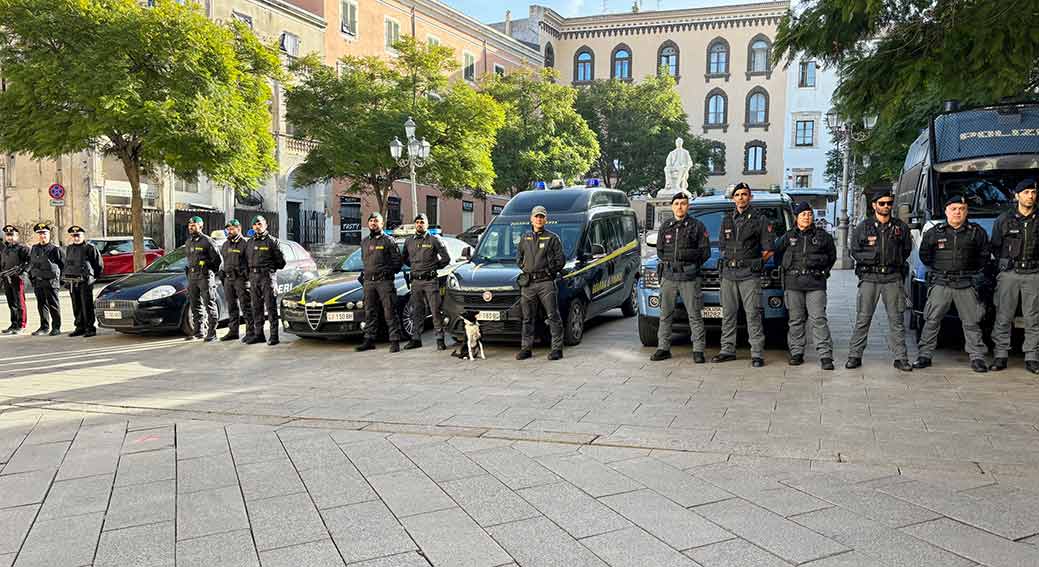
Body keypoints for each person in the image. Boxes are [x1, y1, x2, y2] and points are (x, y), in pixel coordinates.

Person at [914, 196, 991, 372]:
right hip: (941, 282)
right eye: (954, 208)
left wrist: (971, 272)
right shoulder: (935, 232)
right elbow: (925, 255)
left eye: (962, 208)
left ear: (966, 211)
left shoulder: (976, 232)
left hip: (966, 283)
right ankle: (924, 355)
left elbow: (983, 257)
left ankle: (977, 357)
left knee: (972, 322)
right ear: (947, 211)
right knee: (931, 320)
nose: (958, 212)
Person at [846, 192, 914, 371]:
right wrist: (873, 258)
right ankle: (855, 355)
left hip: (892, 278)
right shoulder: (863, 227)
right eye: (882, 203)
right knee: (863, 319)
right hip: (870, 278)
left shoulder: (900, 227)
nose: (886, 206)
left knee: (896, 320)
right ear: (874, 205)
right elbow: (855, 250)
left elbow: (906, 249)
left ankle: (901, 358)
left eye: (889, 203)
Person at [713, 182, 773, 367]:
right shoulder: (727, 220)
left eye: (744, 194)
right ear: (733, 199)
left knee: (752, 315)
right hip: (729, 274)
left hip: (749, 275)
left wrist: (755, 263)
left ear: (750, 197)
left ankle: (756, 353)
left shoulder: (760, 220)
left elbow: (768, 249)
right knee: (728, 314)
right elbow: (722, 245)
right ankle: (727, 350)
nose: (741, 197)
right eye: (737, 194)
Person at [775, 202, 837, 370]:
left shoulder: (823, 237)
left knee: (818, 319)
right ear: (796, 217)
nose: (807, 217)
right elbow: (777, 255)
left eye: (809, 214)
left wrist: (823, 272)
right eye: (803, 214)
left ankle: (825, 356)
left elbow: (832, 257)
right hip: (793, 284)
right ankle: (796, 353)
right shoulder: (788, 237)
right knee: (796, 320)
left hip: (815, 283)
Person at [650, 192, 711, 362]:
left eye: (683, 203)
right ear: (672, 206)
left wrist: (688, 261)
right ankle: (663, 348)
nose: (679, 206)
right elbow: (660, 251)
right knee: (665, 314)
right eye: (676, 203)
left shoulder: (697, 226)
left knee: (694, 315)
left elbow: (705, 252)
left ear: (688, 206)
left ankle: (698, 350)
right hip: (669, 276)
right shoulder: (666, 226)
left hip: (689, 277)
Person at [989, 178, 1039, 374]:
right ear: (1017, 195)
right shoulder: (1004, 219)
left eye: (1033, 192)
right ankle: (1000, 355)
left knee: (1033, 318)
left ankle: (1032, 357)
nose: (1031, 196)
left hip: (1034, 274)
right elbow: (995, 245)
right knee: (1003, 315)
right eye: (1026, 192)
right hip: (1009, 274)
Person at [516, 205, 566, 361]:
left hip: (546, 283)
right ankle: (526, 348)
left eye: (542, 216)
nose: (539, 219)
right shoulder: (525, 238)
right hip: (528, 284)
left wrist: (550, 271)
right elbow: (519, 258)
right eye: (536, 216)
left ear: (546, 219)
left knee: (553, 315)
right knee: (527, 318)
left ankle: (557, 349)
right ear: (531, 219)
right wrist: (525, 268)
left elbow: (561, 261)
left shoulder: (552, 238)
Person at [402, 213, 451, 351]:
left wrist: (433, 268)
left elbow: (446, 258)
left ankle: (440, 339)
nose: (419, 224)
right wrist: (414, 268)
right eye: (417, 222)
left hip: (430, 281)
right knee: (416, 311)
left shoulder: (434, 239)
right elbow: (404, 258)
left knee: (435, 311)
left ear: (427, 224)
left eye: (422, 222)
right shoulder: (409, 241)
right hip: (416, 282)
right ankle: (416, 339)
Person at [356, 212, 403, 352]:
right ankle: (369, 340)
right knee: (370, 312)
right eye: (371, 221)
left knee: (389, 312)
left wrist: (387, 273)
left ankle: (394, 340)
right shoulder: (364, 242)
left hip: (384, 282)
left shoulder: (388, 240)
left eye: (376, 221)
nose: (373, 223)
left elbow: (397, 263)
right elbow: (365, 261)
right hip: (369, 283)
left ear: (382, 224)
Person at [244, 215, 286, 346]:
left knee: (271, 307)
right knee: (256, 307)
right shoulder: (250, 242)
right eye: (255, 224)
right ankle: (259, 334)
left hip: (267, 277)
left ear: (265, 225)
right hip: (253, 277)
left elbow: (281, 262)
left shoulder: (272, 241)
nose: (257, 226)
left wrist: (270, 269)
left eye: (259, 224)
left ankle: (274, 336)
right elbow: (245, 260)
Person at [184, 216, 221, 342]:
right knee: (195, 304)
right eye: (190, 225)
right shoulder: (189, 242)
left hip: (204, 276)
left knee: (209, 303)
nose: (191, 227)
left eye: (194, 225)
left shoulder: (207, 241)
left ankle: (212, 332)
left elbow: (217, 260)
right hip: (192, 276)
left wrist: (208, 270)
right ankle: (198, 331)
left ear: (201, 226)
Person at [64, 225, 103, 337]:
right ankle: (79, 327)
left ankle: (90, 328)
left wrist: (94, 277)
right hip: (72, 280)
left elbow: (98, 264)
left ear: (83, 235)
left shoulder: (90, 248)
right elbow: (67, 264)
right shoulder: (70, 248)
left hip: (85, 281)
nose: (76, 238)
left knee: (86, 305)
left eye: (78, 235)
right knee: (76, 305)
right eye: (74, 236)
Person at [219, 219, 253, 342]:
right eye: (228, 229)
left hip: (241, 280)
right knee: (231, 306)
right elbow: (223, 261)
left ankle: (251, 332)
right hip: (229, 279)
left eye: (232, 229)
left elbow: (251, 262)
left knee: (246, 306)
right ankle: (233, 331)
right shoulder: (225, 244)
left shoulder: (245, 244)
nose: (230, 231)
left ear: (239, 229)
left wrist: (246, 276)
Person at [28, 222, 64, 336]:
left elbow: (63, 265)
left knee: (53, 305)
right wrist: (32, 278)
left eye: (44, 233)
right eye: (40, 234)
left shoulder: (55, 249)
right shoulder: (34, 248)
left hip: (51, 281)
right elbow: (31, 264)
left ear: (49, 235)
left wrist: (60, 280)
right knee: (41, 304)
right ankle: (44, 327)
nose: (42, 236)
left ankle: (56, 327)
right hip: (38, 281)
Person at [1, 225, 30, 334]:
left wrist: (21, 272)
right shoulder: (5, 248)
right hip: (7, 278)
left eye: (12, 235)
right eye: (8, 235)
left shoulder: (23, 248)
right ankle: (14, 323)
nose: (10, 238)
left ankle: (21, 324)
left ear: (17, 236)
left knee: (19, 302)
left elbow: (29, 263)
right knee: (11, 302)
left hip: (18, 278)